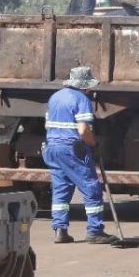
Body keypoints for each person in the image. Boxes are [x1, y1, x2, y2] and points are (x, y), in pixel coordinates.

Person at [42, 67, 120, 244]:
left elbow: (48, 123)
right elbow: (83, 130)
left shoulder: (55, 97)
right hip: (72, 149)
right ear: (84, 85)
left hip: (52, 148)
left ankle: (60, 230)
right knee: (91, 187)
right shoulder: (81, 98)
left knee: (60, 189)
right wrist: (93, 145)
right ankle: (95, 231)